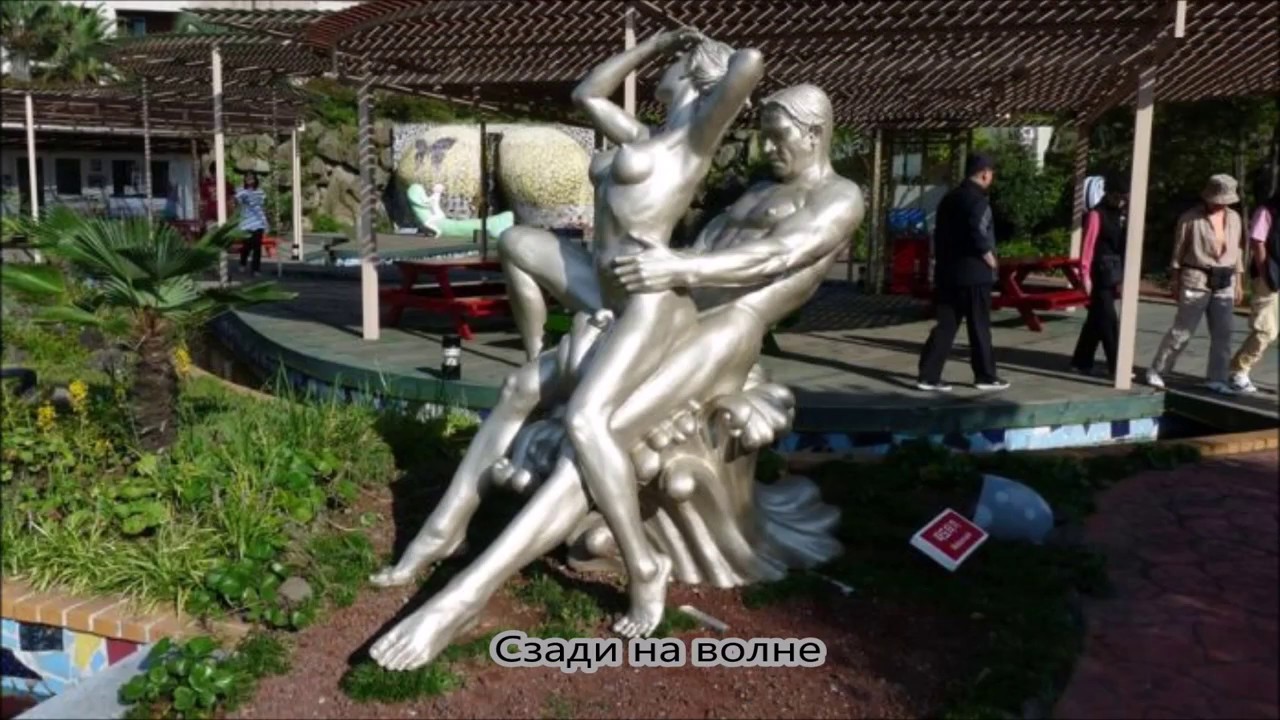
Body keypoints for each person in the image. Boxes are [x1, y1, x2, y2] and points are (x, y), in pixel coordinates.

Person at [366, 84, 863, 672]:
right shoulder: (758, 191)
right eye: (765, 135)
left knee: (595, 437)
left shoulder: (839, 197)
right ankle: (444, 527)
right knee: (521, 387)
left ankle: (466, 596)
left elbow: (778, 256)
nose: (768, 147)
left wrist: (678, 264)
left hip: (728, 329)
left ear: (815, 132)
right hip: (673, 312)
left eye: (779, 137)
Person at [916, 153, 1008, 392]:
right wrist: (989, 257)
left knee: (946, 325)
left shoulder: (949, 199)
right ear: (985, 173)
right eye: (991, 173)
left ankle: (928, 375)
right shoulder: (979, 201)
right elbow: (977, 229)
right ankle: (985, 375)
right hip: (975, 273)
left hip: (949, 272)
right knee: (979, 326)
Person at [1147, 174, 1246, 394]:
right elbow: (1178, 251)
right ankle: (1158, 369)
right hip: (1196, 276)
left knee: (1224, 332)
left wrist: (1239, 281)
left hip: (1225, 278)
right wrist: (1175, 280)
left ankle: (1217, 378)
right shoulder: (1190, 218)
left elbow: (1237, 251)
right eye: (1217, 200)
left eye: (1225, 201)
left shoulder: (1234, 218)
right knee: (1183, 330)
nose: (1221, 204)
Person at [1070, 172, 1130, 378]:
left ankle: (1081, 361)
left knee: (1096, 318)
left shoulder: (1121, 216)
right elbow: (1088, 246)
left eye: (1124, 197)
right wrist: (1084, 275)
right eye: (1119, 196)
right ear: (1109, 194)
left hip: (1113, 271)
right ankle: (1117, 365)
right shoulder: (1096, 215)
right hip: (1099, 273)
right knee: (1109, 320)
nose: (1122, 201)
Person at [1228, 186, 1280, 393]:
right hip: (1270, 277)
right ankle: (1238, 370)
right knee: (1265, 329)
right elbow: (1258, 242)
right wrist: (1266, 274)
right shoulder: (1267, 210)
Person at [234, 172, 268, 276]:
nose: (249, 180)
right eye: (247, 178)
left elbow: (262, 207)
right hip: (246, 223)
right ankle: (243, 262)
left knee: (257, 247)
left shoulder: (260, 192)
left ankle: (256, 269)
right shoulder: (241, 191)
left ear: (255, 180)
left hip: (258, 222)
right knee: (247, 246)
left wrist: (265, 222)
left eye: (251, 178)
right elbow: (237, 202)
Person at [198, 161, 234, 231]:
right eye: (216, 171)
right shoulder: (206, 185)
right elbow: (202, 203)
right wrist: (202, 218)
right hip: (210, 218)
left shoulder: (227, 184)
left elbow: (231, 201)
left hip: (225, 217)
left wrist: (232, 216)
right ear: (212, 172)